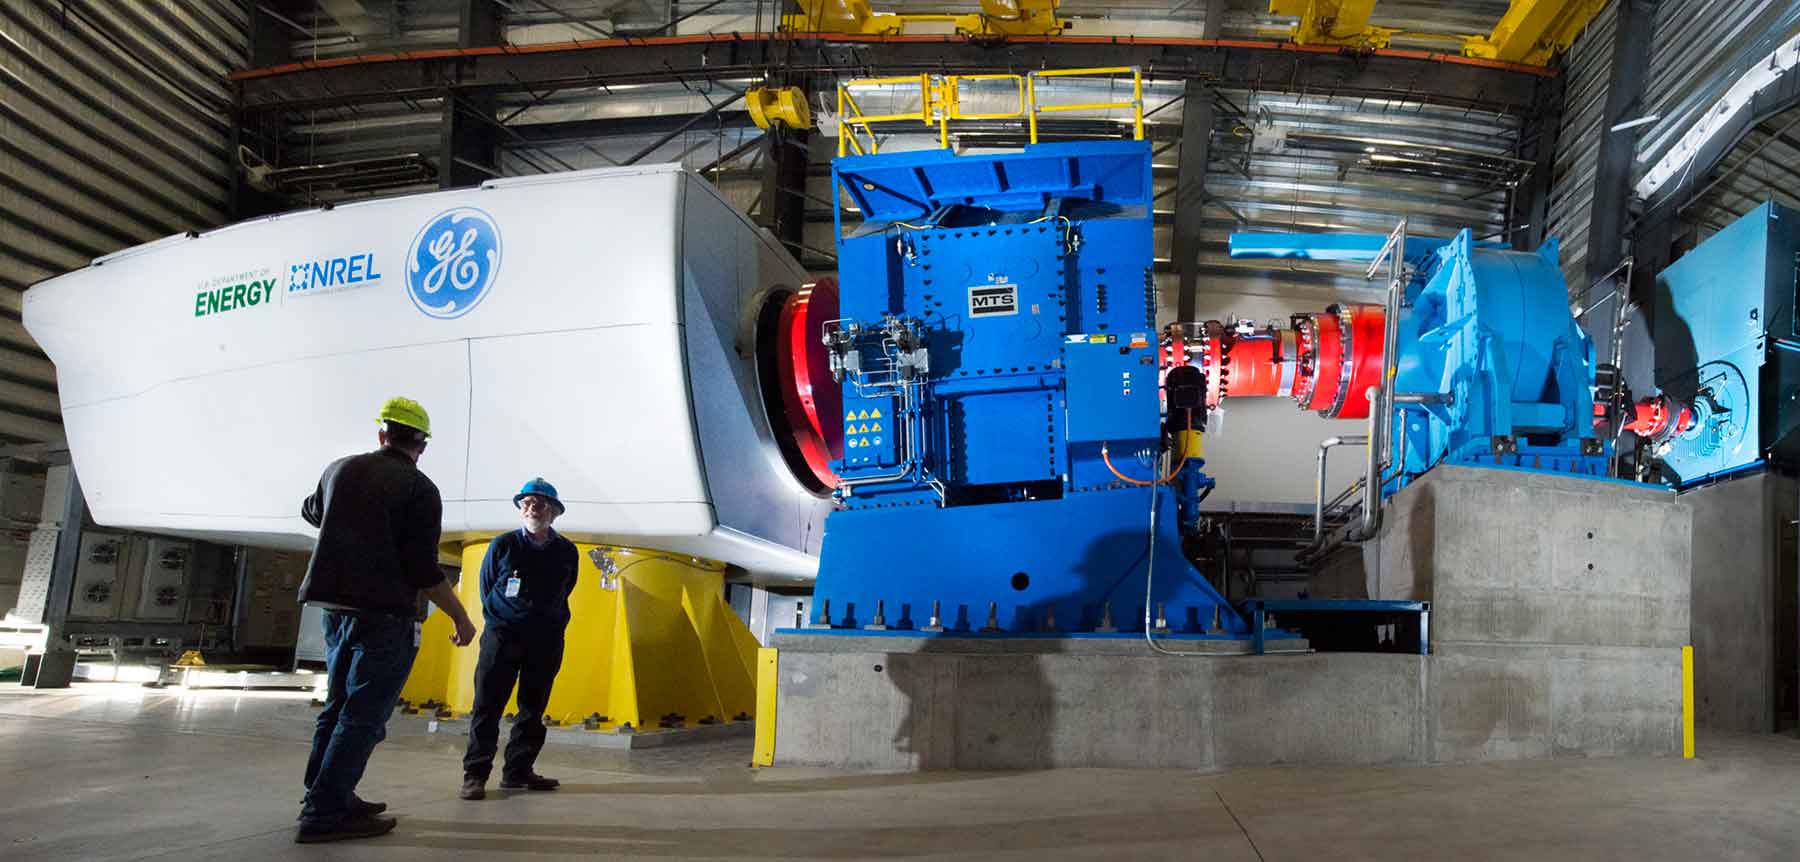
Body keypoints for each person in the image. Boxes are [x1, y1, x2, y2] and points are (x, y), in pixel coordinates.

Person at [295, 396, 478, 844]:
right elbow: (422, 569)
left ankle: (325, 794)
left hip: (335, 611)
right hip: (385, 616)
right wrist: (461, 616)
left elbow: (311, 512)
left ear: (382, 434)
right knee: (363, 716)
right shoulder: (420, 489)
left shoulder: (339, 468)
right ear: (422, 445)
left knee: (337, 706)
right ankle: (325, 812)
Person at [459, 477, 579, 801]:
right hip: (502, 636)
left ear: (554, 512)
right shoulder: (503, 545)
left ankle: (517, 772)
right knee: (487, 706)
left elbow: (566, 589)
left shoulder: (567, 551)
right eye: (526, 502)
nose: (532, 507)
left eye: (540, 503)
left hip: (546, 639)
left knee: (532, 708)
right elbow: (487, 589)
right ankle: (475, 775)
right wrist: (507, 618)